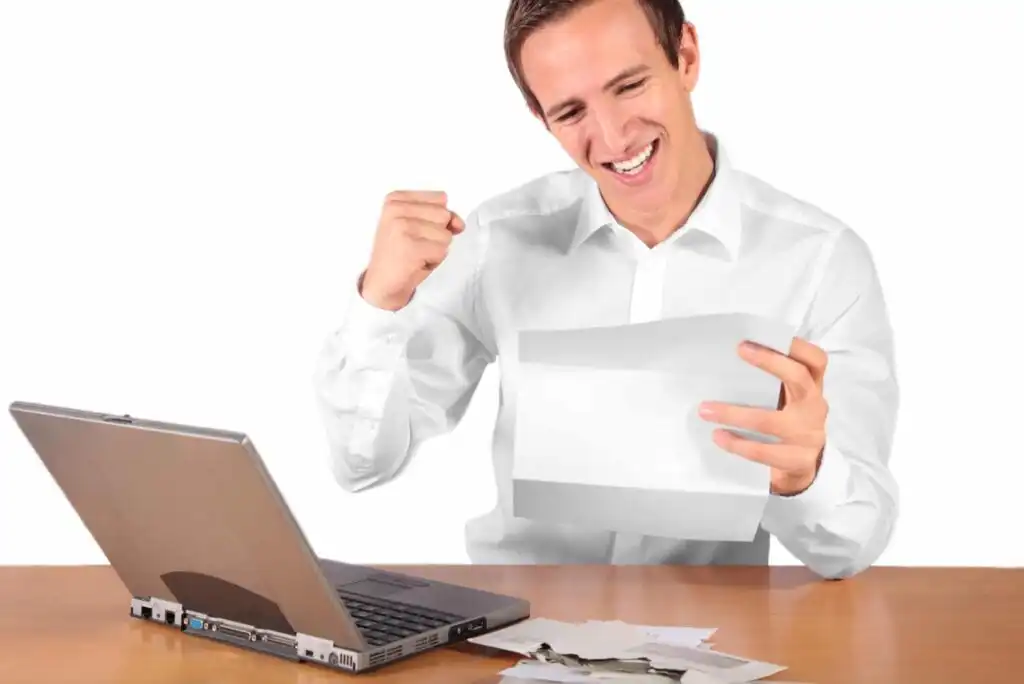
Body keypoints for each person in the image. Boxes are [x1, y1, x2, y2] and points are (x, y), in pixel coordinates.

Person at [312, 0, 899, 580]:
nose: (614, 137)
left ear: (686, 57)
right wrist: (378, 305)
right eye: (571, 112)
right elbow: (364, 463)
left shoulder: (820, 260)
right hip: (521, 620)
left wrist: (805, 476)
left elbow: (851, 546)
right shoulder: (498, 241)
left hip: (718, 628)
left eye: (630, 86)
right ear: (540, 116)